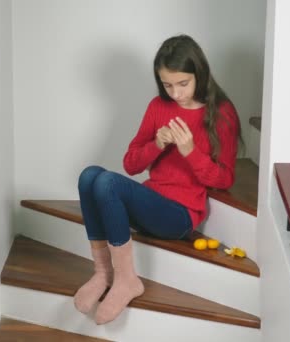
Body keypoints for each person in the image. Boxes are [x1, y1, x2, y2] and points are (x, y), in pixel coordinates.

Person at [74, 34, 240, 324]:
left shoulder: (222, 113)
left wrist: (191, 152)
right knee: (90, 176)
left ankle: (127, 280)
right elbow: (131, 164)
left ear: (199, 74)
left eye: (183, 84)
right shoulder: (157, 107)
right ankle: (103, 273)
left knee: (106, 183)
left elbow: (225, 178)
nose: (175, 93)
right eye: (167, 85)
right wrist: (157, 145)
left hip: (180, 215)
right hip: (152, 200)